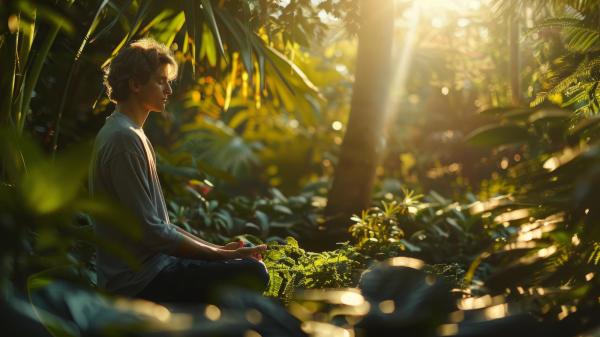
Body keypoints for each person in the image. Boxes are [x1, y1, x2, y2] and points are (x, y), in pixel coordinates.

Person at [89, 38, 268, 302]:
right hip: (139, 281)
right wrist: (221, 256)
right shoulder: (123, 139)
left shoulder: (130, 132)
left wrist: (218, 249)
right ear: (136, 84)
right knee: (253, 272)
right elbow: (151, 232)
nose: (169, 90)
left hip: (155, 269)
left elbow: (161, 225)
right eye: (161, 81)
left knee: (247, 268)